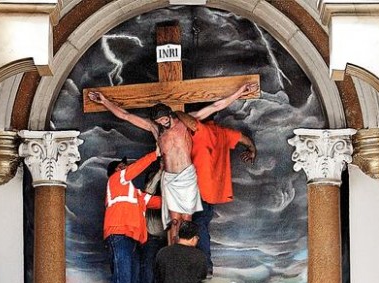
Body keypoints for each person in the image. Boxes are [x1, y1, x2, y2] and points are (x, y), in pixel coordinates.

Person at [88, 83, 257, 243]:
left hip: (187, 176)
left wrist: (240, 92)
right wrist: (104, 101)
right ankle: (173, 252)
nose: (163, 124)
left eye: (164, 120)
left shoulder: (185, 122)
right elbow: (126, 115)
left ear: (169, 114)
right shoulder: (156, 130)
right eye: (159, 122)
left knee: (186, 220)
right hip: (169, 178)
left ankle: (185, 252)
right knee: (174, 221)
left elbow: (215, 106)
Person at [103, 149, 161, 283]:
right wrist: (155, 154)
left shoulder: (134, 193)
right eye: (123, 166)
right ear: (117, 170)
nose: (126, 167)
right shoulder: (116, 180)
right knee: (123, 275)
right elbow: (136, 169)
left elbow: (158, 202)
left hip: (132, 240)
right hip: (119, 234)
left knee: (131, 277)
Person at [191, 119, 256, 276]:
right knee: (202, 225)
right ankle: (205, 265)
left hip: (198, 188)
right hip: (213, 192)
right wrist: (252, 149)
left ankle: (204, 265)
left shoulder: (200, 130)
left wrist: (177, 114)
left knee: (197, 225)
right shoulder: (224, 133)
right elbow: (245, 140)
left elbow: (187, 121)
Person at [138, 165, 167, 283]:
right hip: (150, 241)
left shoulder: (167, 198)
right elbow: (148, 190)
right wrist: (159, 171)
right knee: (147, 281)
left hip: (165, 243)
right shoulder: (147, 199)